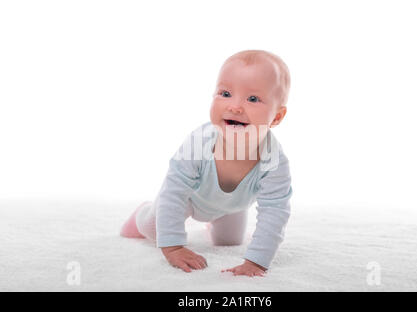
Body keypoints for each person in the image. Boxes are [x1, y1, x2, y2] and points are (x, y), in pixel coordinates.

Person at [120, 49, 293, 277]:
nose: (235, 106)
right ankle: (142, 212)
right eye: (225, 93)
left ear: (277, 117)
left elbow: (275, 210)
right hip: (190, 199)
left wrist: (257, 262)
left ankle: (214, 223)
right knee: (154, 229)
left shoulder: (274, 161)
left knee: (229, 242)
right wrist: (173, 247)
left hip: (233, 207)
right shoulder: (198, 144)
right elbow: (174, 192)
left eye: (252, 99)